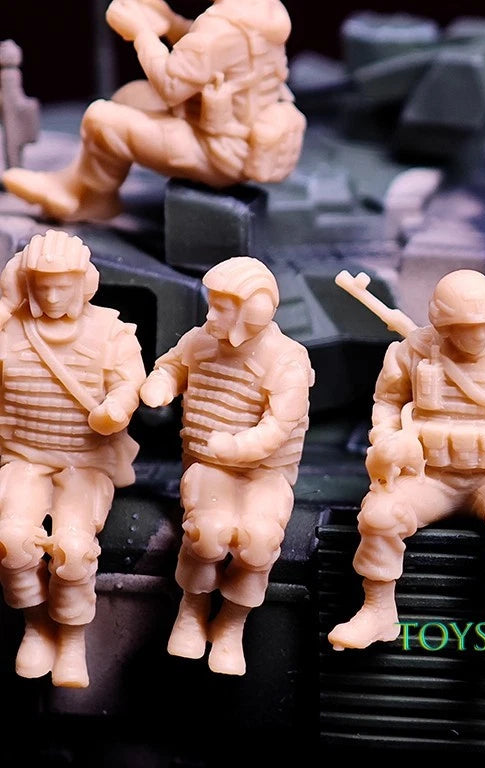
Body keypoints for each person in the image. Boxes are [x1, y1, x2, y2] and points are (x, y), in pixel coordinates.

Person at [329, 270, 485, 667]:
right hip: (429, 476)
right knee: (380, 514)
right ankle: (377, 610)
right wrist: (386, 440)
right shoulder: (411, 353)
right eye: (468, 327)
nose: (479, 335)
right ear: (444, 324)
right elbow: (387, 402)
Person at [140, 256, 313, 675]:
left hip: (265, 474)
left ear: (250, 312)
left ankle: (232, 625)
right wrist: (160, 384)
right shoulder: (200, 342)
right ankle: (191, 610)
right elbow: (173, 366)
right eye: (212, 304)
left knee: (258, 541)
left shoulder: (286, 360)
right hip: (206, 466)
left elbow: (277, 428)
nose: (210, 316)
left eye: (221, 308)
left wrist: (236, 447)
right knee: (207, 534)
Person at [2, 0, 305, 221]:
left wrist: (142, 33)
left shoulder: (222, 29)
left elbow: (171, 84)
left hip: (218, 152)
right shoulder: (263, 12)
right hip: (237, 138)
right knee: (130, 97)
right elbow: (212, 57)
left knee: (101, 120)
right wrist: (172, 23)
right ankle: (85, 187)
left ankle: (90, 201)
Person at [0, 229, 145, 687]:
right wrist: (6, 301)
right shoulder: (9, 328)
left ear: (84, 283)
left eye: (62, 286)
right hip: (24, 456)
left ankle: (72, 639)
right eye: (42, 285)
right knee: (12, 541)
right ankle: (36, 628)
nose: (52, 296)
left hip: (86, 462)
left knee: (74, 548)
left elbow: (130, 382)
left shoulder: (110, 332)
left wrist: (117, 407)